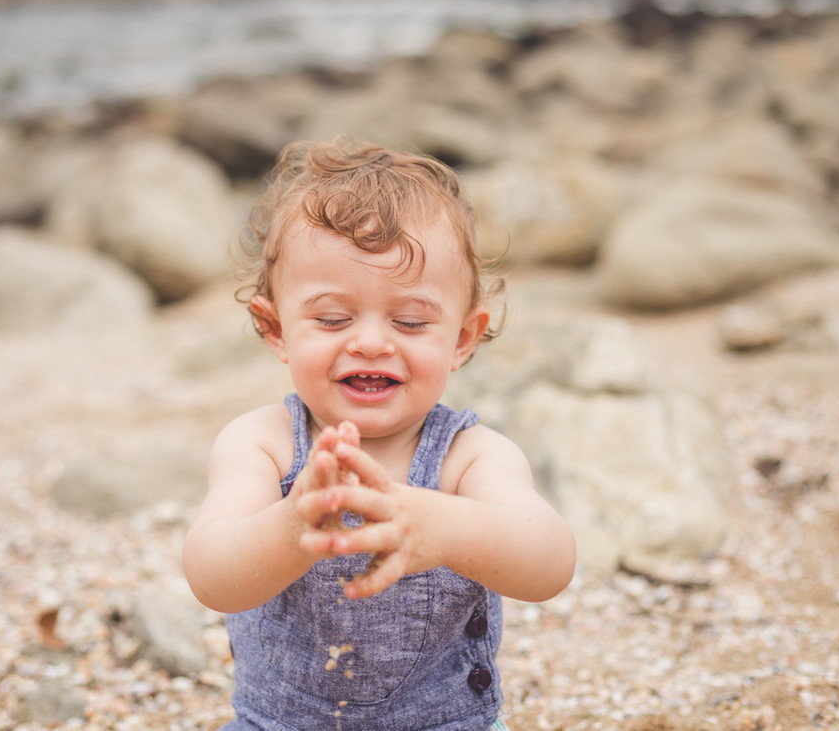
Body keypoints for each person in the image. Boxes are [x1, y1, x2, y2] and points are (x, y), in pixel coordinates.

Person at [182, 138, 576, 731]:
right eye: (333, 319)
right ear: (275, 328)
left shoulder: (467, 458)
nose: (370, 341)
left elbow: (550, 563)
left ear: (464, 338)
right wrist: (290, 530)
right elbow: (212, 575)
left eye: (411, 321)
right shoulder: (262, 443)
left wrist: (450, 529)